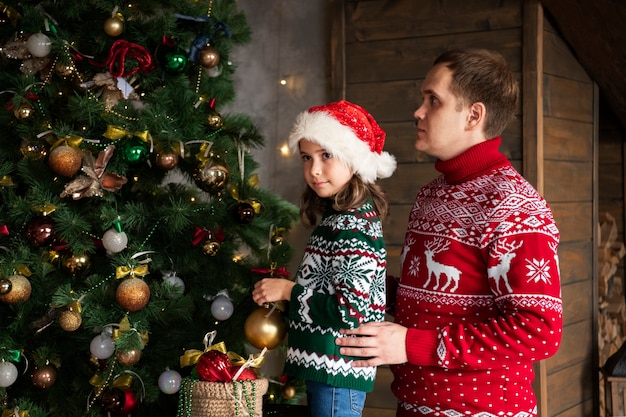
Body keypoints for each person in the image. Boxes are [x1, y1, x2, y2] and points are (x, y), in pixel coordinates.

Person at [335, 48, 563, 417]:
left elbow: (539, 330)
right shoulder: (432, 195)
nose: (418, 112)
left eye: (433, 100)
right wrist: (350, 282)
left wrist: (413, 345)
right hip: (413, 406)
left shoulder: (514, 204)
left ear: (474, 115)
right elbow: (423, 298)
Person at [252, 100, 397, 417]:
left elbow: (347, 309)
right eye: (307, 157)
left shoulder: (353, 228)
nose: (314, 169)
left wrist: (288, 291)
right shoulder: (337, 219)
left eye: (326, 155)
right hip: (327, 366)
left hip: (339, 369)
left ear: (354, 158)